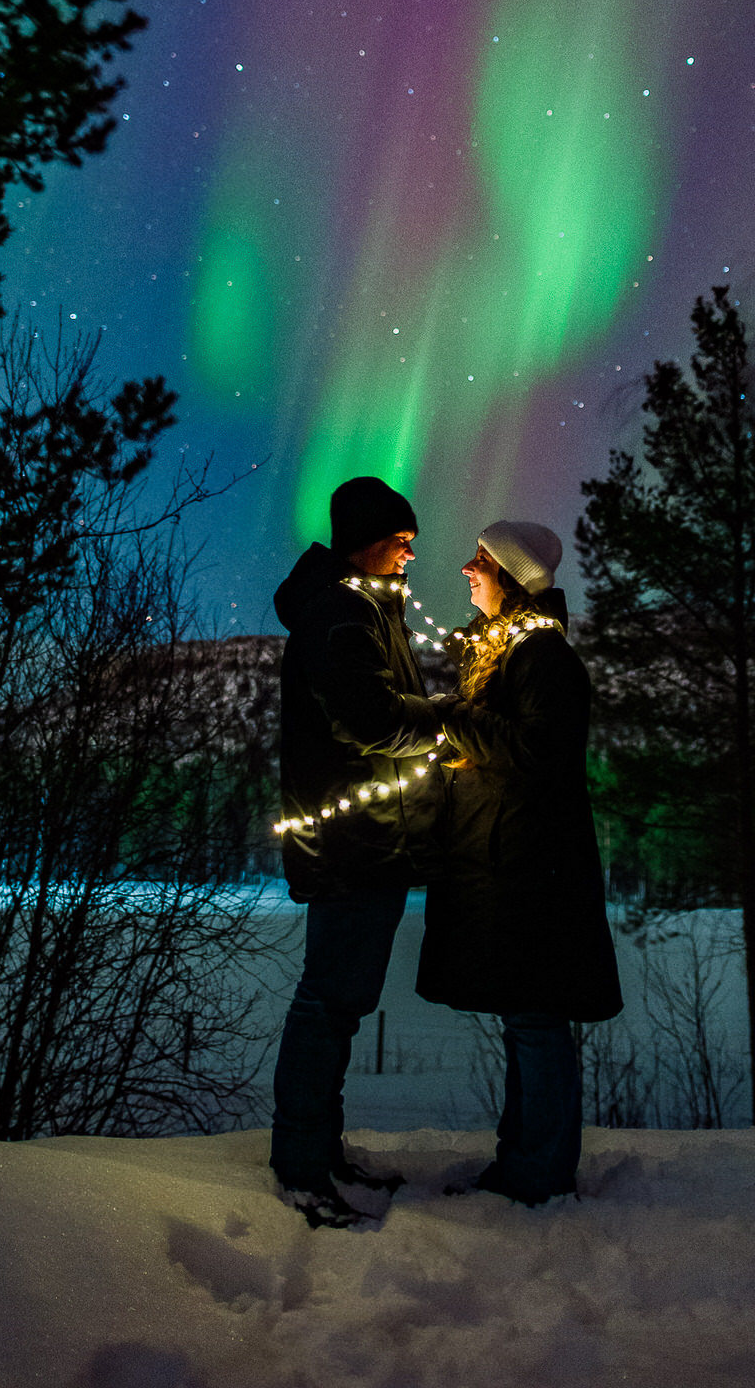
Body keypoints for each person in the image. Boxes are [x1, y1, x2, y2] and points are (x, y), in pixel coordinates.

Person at [417, 519, 622, 1204]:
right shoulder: (512, 654)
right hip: (512, 866)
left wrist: (454, 718)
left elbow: (537, 754)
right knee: (524, 1020)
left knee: (535, 1021)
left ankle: (539, 1173)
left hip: (534, 875)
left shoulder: (544, 660)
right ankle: (522, 1163)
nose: (468, 570)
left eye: (480, 560)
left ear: (509, 574)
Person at [269, 475, 446, 1228]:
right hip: (352, 842)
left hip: (367, 840)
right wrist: (447, 722)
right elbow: (369, 719)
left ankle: (319, 1152)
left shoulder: (362, 606)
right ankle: (303, 1168)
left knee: (337, 1004)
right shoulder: (341, 613)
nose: (411, 552)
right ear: (366, 539)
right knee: (328, 1003)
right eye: (400, 540)